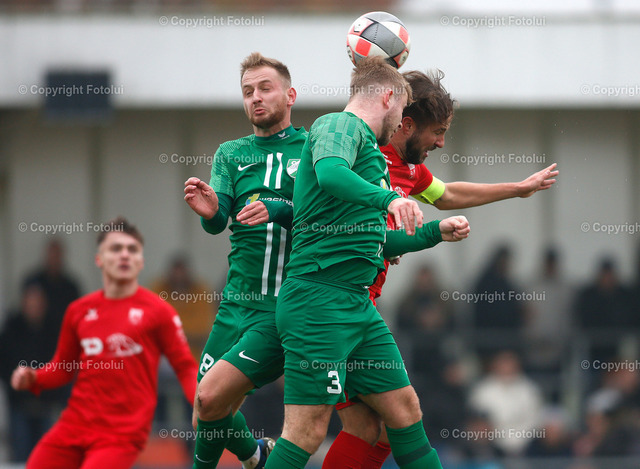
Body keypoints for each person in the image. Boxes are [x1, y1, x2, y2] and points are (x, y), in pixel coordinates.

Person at [324, 70, 559, 469]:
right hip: (329, 304)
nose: (441, 142)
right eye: (438, 131)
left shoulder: (408, 168)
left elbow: (446, 194)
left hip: (357, 306)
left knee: (370, 428)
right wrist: (393, 239)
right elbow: (329, 210)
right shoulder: (360, 155)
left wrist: (517, 189)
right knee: (317, 427)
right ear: (406, 124)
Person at [265, 57, 471, 469]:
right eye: (402, 110)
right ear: (389, 98)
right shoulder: (339, 125)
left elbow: (374, 242)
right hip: (319, 304)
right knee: (306, 432)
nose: (402, 123)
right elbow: (330, 173)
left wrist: (435, 232)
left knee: (403, 413)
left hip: (358, 306)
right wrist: (390, 198)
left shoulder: (373, 157)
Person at [183, 52, 308, 469]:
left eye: (265, 88)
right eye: (247, 91)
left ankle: (254, 456)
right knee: (204, 410)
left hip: (278, 309)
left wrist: (280, 209)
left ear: (290, 95)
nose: (255, 97)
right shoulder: (230, 153)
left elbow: (322, 220)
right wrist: (210, 211)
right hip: (234, 303)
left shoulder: (311, 149)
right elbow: (218, 221)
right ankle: (256, 455)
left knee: (209, 399)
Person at [10, 217, 197, 469]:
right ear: (99, 259)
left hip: (122, 433)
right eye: (116, 248)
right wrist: (34, 377)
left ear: (140, 261)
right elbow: (63, 367)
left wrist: (201, 402)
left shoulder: (159, 312)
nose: (124, 255)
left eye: (132, 249)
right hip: (75, 425)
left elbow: (185, 367)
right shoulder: (78, 311)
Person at [0, 283, 57, 462]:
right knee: (21, 457)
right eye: (30, 303)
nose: (34, 308)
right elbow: (4, 365)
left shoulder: (52, 332)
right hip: (20, 406)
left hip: (45, 406)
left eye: (37, 303)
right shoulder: (11, 331)